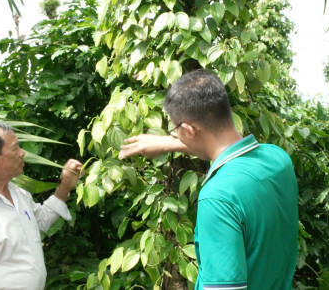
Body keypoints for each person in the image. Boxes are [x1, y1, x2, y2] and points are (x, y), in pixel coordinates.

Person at [119, 70, 298, 289]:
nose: (175, 135)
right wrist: (167, 143)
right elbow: (218, 145)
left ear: (189, 129)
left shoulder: (218, 197)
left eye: (176, 130)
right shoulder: (278, 159)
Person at [0, 123, 83, 290]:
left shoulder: (18, 194)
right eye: (14, 148)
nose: (22, 153)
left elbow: (41, 220)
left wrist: (64, 187)